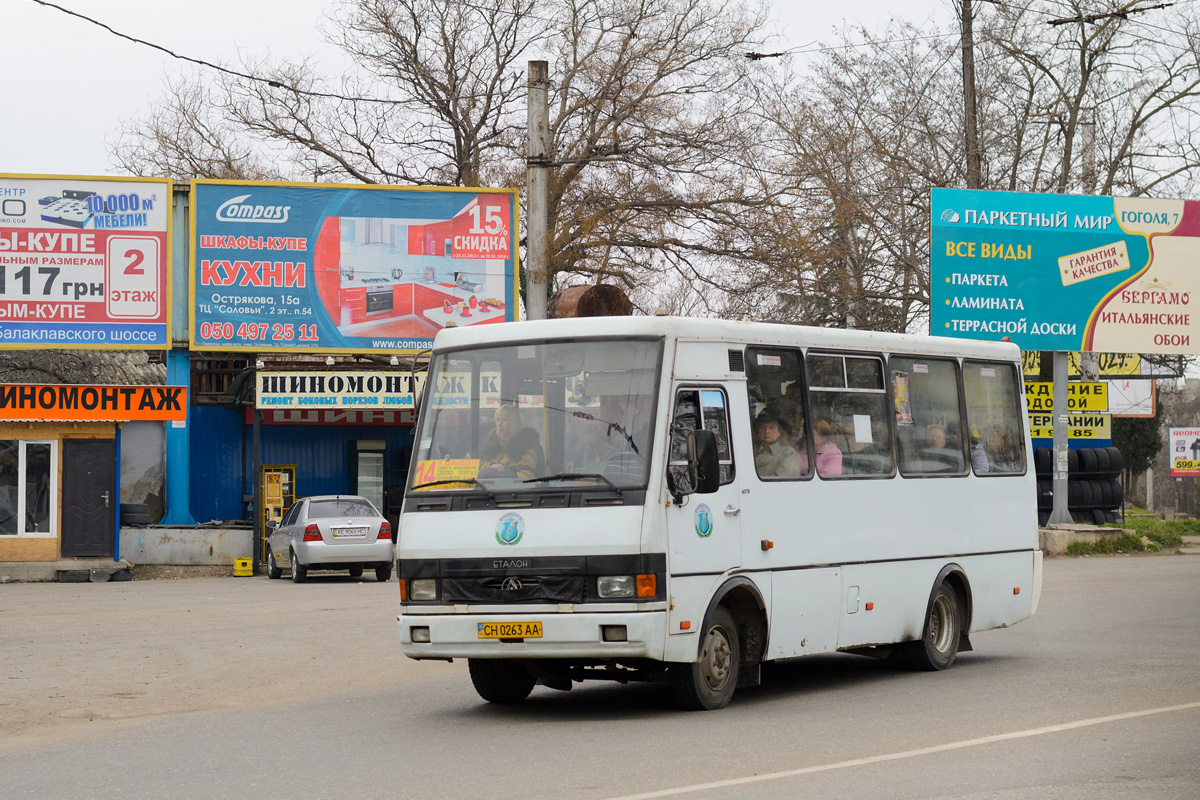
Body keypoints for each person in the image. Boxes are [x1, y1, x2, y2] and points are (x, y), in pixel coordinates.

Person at [479, 404, 542, 479]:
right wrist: (491, 465)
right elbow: (479, 469)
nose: (499, 424)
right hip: (487, 489)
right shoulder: (492, 445)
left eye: (504, 420)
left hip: (511, 489)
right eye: (497, 420)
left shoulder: (525, 446)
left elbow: (527, 476)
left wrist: (505, 473)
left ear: (513, 422)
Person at [753, 410, 801, 477]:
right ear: (758, 431)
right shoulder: (749, 450)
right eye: (763, 427)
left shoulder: (788, 453)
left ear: (779, 432)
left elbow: (781, 481)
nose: (766, 431)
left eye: (771, 427)